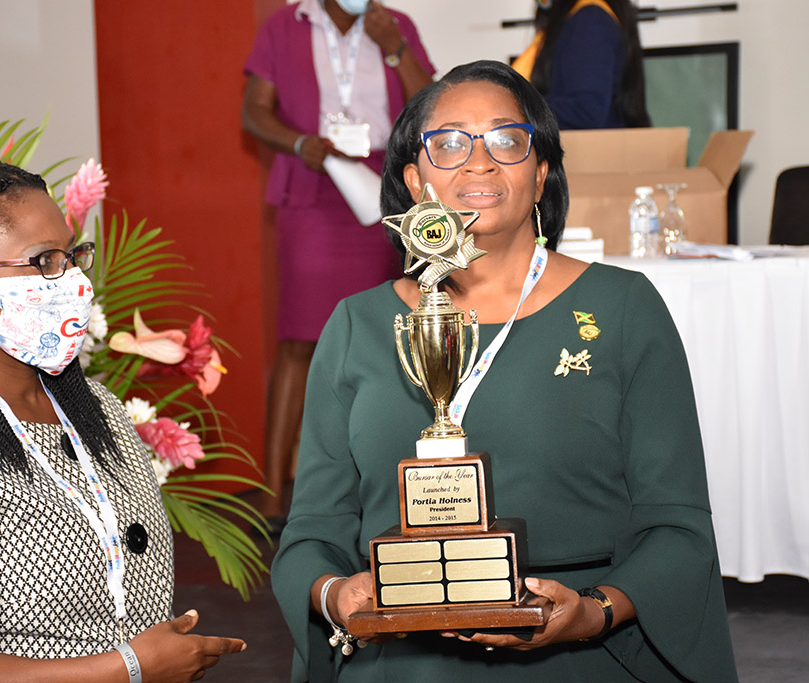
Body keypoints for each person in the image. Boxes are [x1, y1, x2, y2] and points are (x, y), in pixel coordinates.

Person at [271, 60, 738, 681]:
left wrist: (594, 611)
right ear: (415, 180)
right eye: (449, 142)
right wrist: (335, 593)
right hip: (402, 654)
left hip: (577, 652)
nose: (479, 161)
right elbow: (312, 532)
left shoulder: (623, 309)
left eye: (507, 140)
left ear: (541, 174)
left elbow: (677, 525)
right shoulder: (357, 325)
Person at [0, 160, 246, 682]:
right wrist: (129, 669)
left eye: (71, 256)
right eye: (44, 262)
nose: (73, 281)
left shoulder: (98, 408)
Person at [241, 0, 435, 527]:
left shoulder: (395, 26)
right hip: (314, 182)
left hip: (385, 189)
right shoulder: (285, 27)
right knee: (299, 339)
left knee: (388, 334)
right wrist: (299, 142)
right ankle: (273, 493)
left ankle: (392, 488)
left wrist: (394, 48)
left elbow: (431, 110)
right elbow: (253, 112)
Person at [512, 0, 651, 129]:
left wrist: (515, 106)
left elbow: (586, 111)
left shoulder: (590, 21)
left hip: (592, 146)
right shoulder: (585, 17)